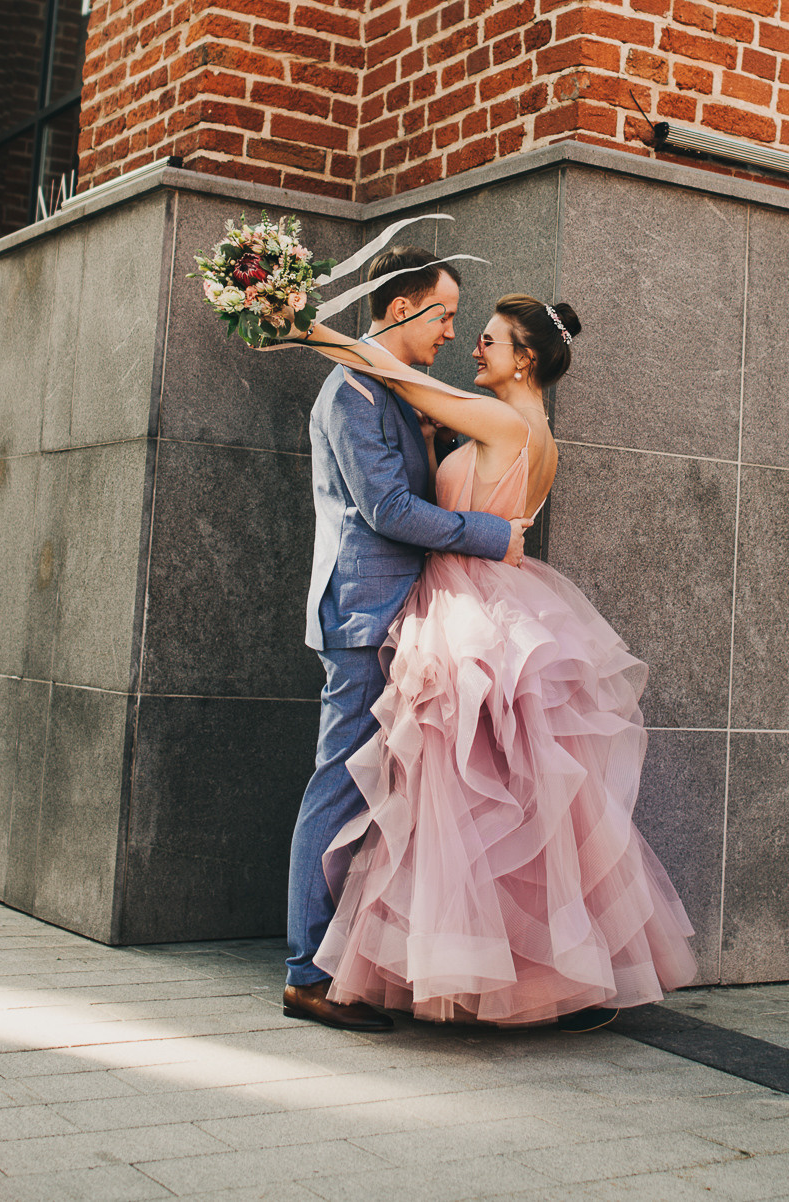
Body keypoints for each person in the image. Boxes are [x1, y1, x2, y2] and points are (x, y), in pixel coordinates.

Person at [288, 287, 697, 1028]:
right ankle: (528, 969)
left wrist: (300, 329)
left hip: (463, 606)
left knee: (452, 798)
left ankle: (416, 964)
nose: (472, 344)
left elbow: (410, 386)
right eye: (466, 330)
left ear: (525, 359)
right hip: (502, 602)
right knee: (507, 800)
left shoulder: (504, 419)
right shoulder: (538, 431)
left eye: (489, 339)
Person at [285, 247, 529, 1032]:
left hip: (401, 612)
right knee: (341, 784)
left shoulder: (391, 389)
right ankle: (304, 974)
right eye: (446, 315)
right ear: (400, 310)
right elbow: (388, 511)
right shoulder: (351, 393)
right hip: (362, 613)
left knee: (379, 795)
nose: (455, 332)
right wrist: (493, 534)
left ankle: (348, 964)